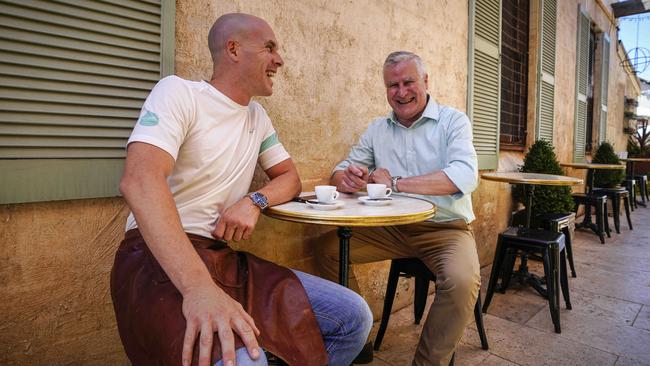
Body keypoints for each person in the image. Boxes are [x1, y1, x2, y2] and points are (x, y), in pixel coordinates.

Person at [111, 13, 372, 366]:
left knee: (353, 317)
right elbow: (140, 181)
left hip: (222, 258)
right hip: (155, 257)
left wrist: (255, 200)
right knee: (245, 361)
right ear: (233, 49)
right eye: (269, 47)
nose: (279, 59)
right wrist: (199, 289)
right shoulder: (179, 92)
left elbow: (289, 179)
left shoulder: (257, 118)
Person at [316, 51, 481, 366]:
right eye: (393, 85)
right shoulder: (378, 129)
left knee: (462, 280)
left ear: (425, 81)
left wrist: (397, 183)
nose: (401, 92)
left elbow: (463, 176)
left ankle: (428, 362)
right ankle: (357, 339)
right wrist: (347, 179)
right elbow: (340, 171)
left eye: (408, 82)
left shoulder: (453, 121)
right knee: (328, 248)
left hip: (445, 228)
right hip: (391, 228)